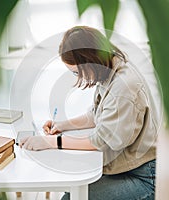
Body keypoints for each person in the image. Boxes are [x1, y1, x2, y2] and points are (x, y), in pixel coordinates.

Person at [19, 26, 159, 200]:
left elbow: (102, 140)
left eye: (77, 72)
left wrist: (51, 141)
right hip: (124, 168)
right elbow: (96, 114)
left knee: (71, 197)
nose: (78, 77)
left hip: (144, 177)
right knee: (72, 189)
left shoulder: (123, 87)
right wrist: (62, 125)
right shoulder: (110, 71)